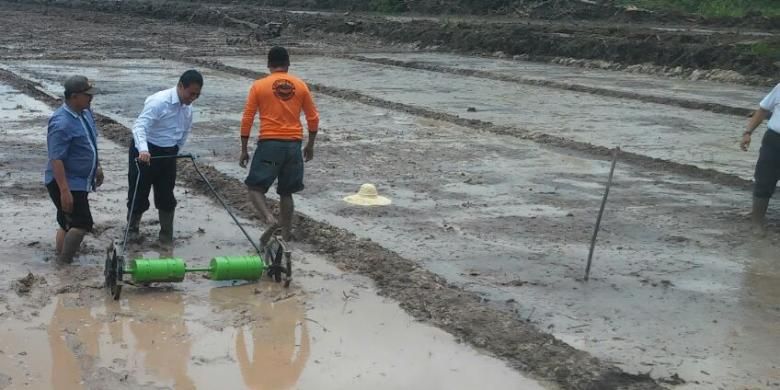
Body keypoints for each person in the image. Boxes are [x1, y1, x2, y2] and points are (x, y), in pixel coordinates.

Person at [239, 46, 319, 241]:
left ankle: (269, 218)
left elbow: (247, 118)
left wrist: (243, 149)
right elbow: (313, 118)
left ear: (268, 65)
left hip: (270, 144)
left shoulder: (259, 86)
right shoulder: (300, 86)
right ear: (288, 64)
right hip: (293, 145)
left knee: (255, 187)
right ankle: (285, 233)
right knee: (286, 192)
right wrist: (310, 145)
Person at [127, 70, 203, 244]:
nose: (193, 98)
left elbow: (184, 131)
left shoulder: (188, 108)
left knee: (166, 195)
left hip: (168, 154)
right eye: (191, 93)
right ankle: (132, 229)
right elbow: (139, 127)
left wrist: (176, 150)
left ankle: (166, 234)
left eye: (197, 95)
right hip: (146, 152)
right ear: (181, 86)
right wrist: (144, 150)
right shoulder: (159, 102)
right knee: (138, 192)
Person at [45, 75, 103, 264]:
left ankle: (61, 258)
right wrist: (64, 191)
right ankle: (64, 263)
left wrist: (97, 166)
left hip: (79, 180)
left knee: (66, 222)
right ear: (74, 96)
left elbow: (90, 143)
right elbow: (56, 159)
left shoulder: (85, 113)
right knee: (82, 223)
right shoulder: (61, 123)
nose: (91, 98)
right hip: (67, 182)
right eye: (87, 95)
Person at [741, 83, 780, 234]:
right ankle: (757, 223)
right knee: (764, 180)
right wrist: (748, 132)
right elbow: (763, 110)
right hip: (774, 140)